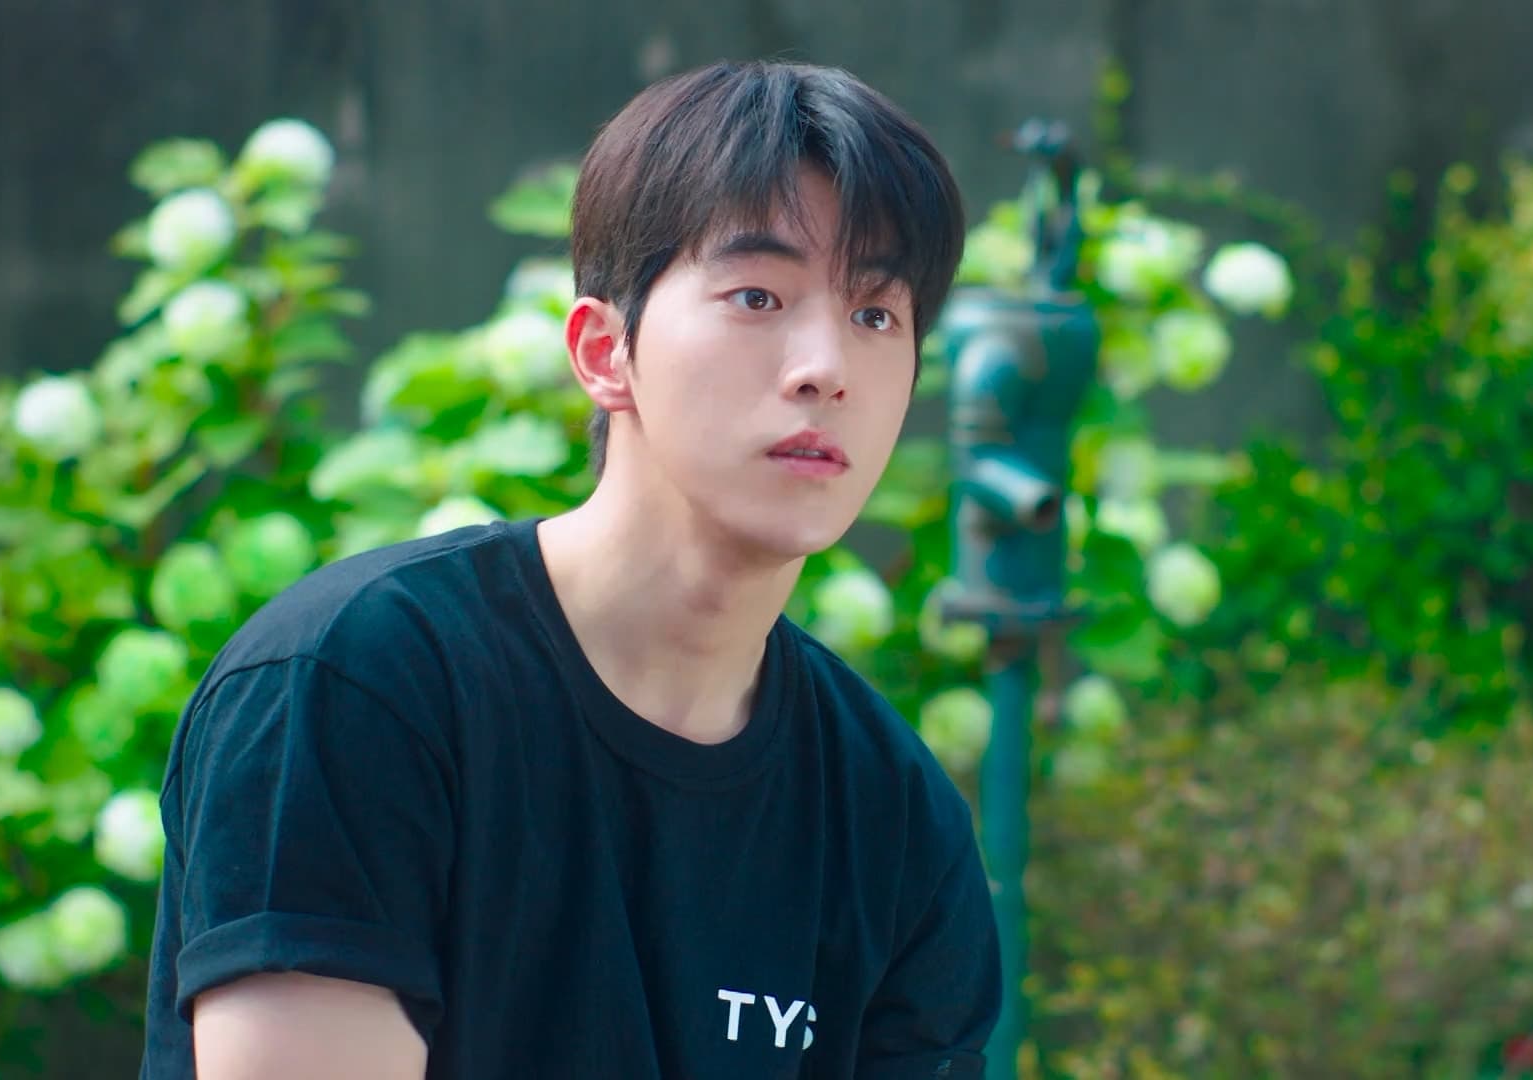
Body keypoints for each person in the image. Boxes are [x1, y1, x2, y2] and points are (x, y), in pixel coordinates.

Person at [139, 58, 1002, 1079]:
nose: (826, 368)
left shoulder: (894, 820)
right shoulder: (357, 683)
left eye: (876, 316)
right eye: (758, 295)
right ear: (603, 352)